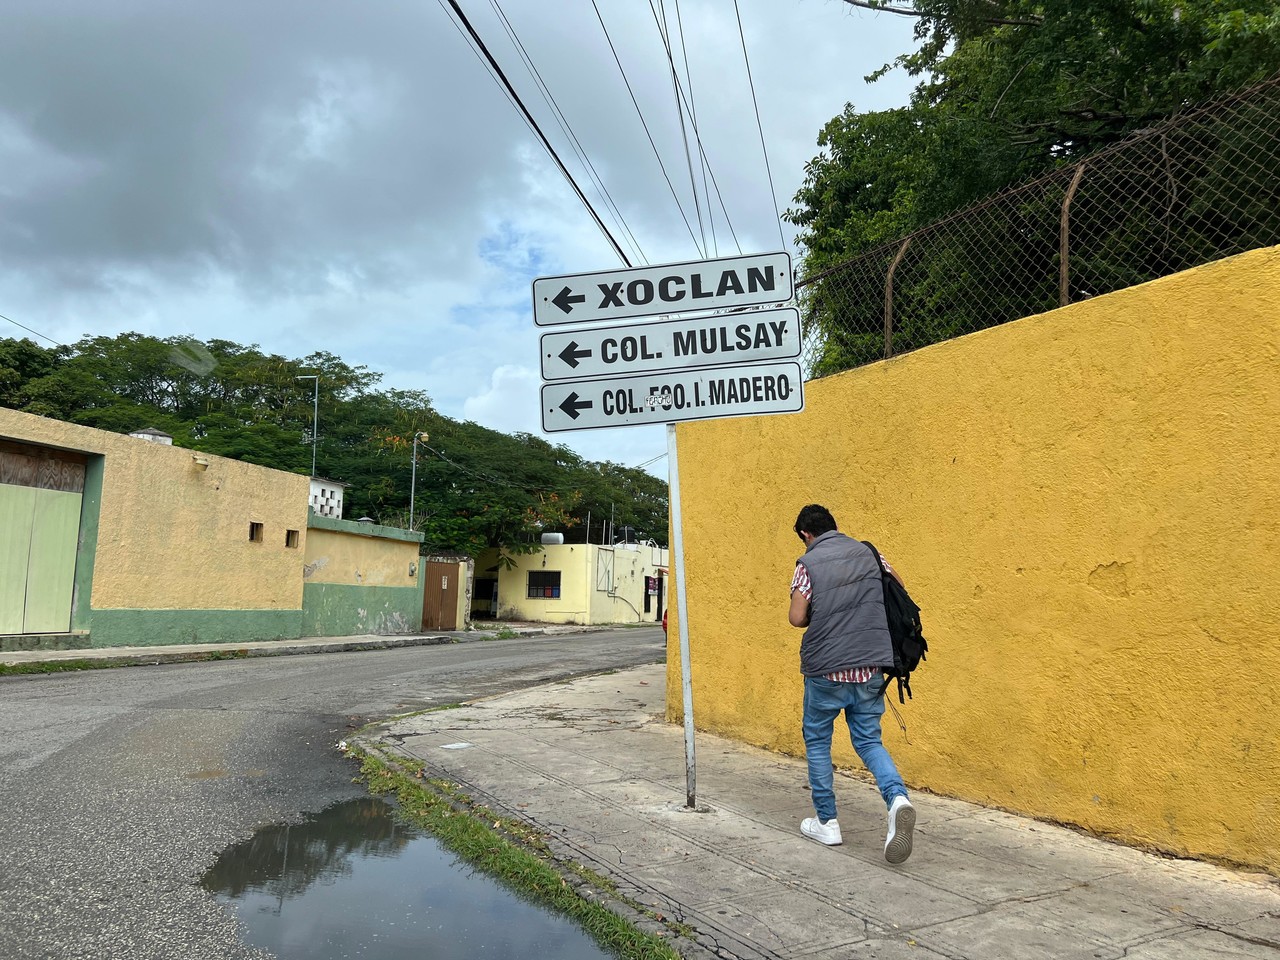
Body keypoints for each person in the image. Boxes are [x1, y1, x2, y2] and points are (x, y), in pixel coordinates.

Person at [788, 503, 915, 864]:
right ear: (835, 526)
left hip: (826, 669)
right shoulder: (869, 553)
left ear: (805, 535)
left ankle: (827, 822)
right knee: (869, 740)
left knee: (817, 740)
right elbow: (898, 588)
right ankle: (897, 799)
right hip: (870, 665)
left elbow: (797, 617)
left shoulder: (807, 564)